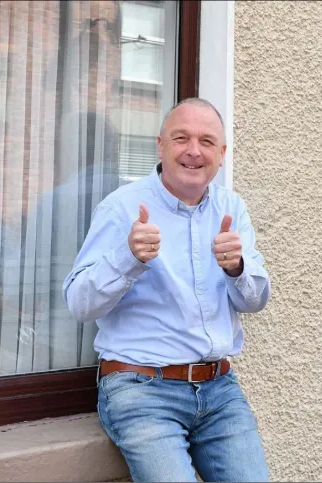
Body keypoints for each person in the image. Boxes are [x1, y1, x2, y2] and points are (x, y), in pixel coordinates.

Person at [63, 97, 271, 482]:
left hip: (218, 389)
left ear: (222, 154)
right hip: (141, 389)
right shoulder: (122, 208)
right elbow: (79, 303)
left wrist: (236, 268)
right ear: (160, 145)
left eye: (207, 142)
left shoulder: (231, 208)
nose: (194, 151)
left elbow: (256, 300)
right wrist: (128, 257)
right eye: (181, 138)